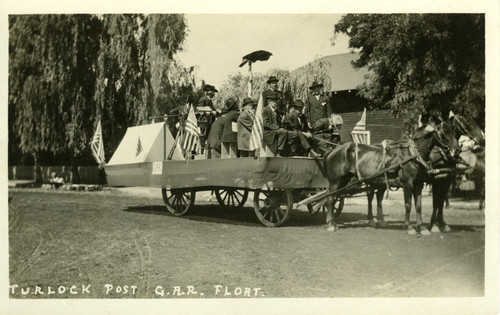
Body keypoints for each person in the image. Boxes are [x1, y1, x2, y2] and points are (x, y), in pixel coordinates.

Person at [263, 92, 320, 157]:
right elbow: (265, 124)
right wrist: (278, 127)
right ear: (269, 101)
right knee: (283, 132)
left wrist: (282, 121)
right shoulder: (265, 110)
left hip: (278, 131)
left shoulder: (277, 111)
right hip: (270, 132)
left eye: (276, 100)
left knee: (298, 134)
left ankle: (311, 151)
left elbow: (282, 123)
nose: (276, 102)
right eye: (274, 101)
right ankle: (279, 153)